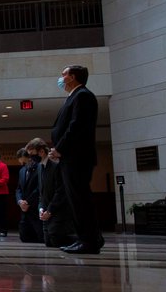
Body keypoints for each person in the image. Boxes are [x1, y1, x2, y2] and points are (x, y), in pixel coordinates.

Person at [50, 64, 104, 254]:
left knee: (80, 200)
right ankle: (87, 237)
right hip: (70, 157)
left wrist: (60, 148)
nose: (60, 77)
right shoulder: (74, 96)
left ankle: (89, 240)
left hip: (77, 158)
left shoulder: (83, 96)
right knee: (76, 200)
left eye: (63, 74)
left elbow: (76, 127)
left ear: (72, 77)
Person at [31, 137, 75, 248]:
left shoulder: (55, 165)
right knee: (48, 242)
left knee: (56, 238)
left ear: (41, 151)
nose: (31, 157)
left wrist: (49, 211)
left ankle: (81, 239)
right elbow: (41, 192)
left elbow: (60, 192)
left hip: (58, 211)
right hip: (46, 210)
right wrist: (41, 209)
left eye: (32, 153)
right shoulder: (40, 167)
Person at [14, 147, 41, 243]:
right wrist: (20, 201)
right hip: (24, 207)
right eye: (21, 163)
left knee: (39, 236)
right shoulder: (22, 171)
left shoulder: (39, 168)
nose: (22, 165)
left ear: (29, 158)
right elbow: (19, 189)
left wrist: (28, 202)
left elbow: (39, 187)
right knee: (24, 237)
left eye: (24, 162)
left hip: (34, 205)